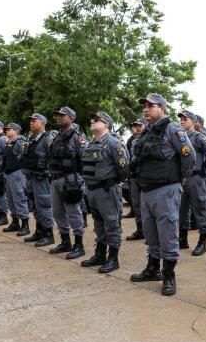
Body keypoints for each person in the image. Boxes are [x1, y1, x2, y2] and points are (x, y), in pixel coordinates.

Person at [130, 93, 196, 296]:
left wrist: (183, 176)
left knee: (167, 233)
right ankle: (152, 268)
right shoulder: (146, 132)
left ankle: (168, 275)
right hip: (147, 190)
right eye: (145, 106)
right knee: (150, 233)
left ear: (163, 109)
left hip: (166, 189)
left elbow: (189, 154)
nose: (146, 109)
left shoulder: (172, 128)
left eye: (151, 105)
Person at [79, 111, 129, 273]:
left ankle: (113, 258)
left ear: (106, 124)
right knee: (99, 224)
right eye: (92, 119)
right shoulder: (91, 144)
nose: (92, 121)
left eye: (96, 120)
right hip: (92, 191)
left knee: (112, 224)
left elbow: (124, 167)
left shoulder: (114, 143)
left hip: (107, 190)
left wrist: (114, 181)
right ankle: (100, 254)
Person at [46, 106, 87, 258]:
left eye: (62, 116)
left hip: (70, 179)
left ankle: (79, 244)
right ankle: (65, 241)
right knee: (57, 212)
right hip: (56, 178)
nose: (59, 118)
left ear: (71, 118)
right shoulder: (57, 137)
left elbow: (84, 159)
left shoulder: (77, 137)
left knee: (73, 212)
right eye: (58, 115)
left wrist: (81, 179)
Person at [177, 110, 206, 255]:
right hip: (182, 178)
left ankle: (202, 242)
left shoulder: (199, 137)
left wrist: (203, 169)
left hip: (195, 178)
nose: (182, 121)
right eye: (181, 119)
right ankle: (183, 239)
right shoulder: (179, 137)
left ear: (193, 122)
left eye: (185, 119)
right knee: (182, 210)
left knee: (200, 209)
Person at [19, 113, 54, 245]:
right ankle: (39, 232)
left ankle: (48, 234)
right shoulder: (31, 139)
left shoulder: (47, 139)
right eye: (31, 121)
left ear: (43, 123)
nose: (31, 123)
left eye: (35, 120)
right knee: (34, 206)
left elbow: (52, 159)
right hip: (30, 178)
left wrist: (48, 174)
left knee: (44, 206)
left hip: (41, 178)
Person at [1, 123, 30, 236]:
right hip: (9, 173)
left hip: (17, 173)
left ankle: (25, 224)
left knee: (19, 198)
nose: (6, 131)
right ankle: (15, 222)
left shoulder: (19, 141)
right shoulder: (8, 142)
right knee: (10, 199)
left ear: (16, 130)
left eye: (8, 129)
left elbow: (24, 157)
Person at [125, 118, 148, 242]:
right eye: (136, 125)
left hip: (145, 176)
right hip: (135, 176)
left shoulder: (150, 138)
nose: (137, 127)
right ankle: (140, 230)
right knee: (137, 204)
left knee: (147, 205)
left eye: (139, 125)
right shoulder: (134, 140)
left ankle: (149, 231)